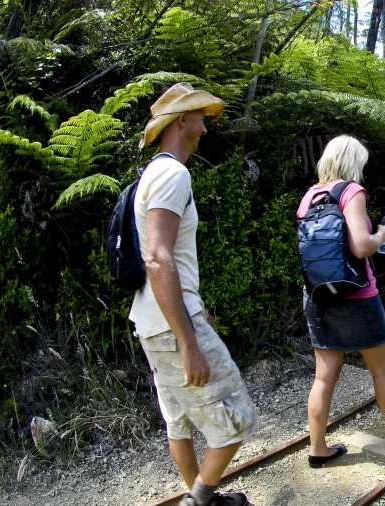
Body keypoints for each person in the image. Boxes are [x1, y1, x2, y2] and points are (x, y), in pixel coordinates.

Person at [131, 83, 259, 506]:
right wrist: (189, 342)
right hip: (172, 327)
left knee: (180, 422)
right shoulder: (173, 174)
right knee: (238, 418)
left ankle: (204, 498)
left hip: (153, 322)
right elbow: (157, 257)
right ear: (181, 120)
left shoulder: (149, 174)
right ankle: (199, 501)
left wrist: (196, 314)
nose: (206, 127)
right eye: (200, 117)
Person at [296, 135, 385, 468]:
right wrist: (384, 233)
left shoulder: (310, 196)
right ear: (353, 162)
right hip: (356, 294)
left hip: (317, 294)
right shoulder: (352, 192)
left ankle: (318, 448)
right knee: (380, 370)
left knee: (324, 377)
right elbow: (361, 247)